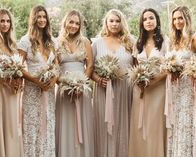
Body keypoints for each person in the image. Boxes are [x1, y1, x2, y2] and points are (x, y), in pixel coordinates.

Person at [91, 9, 134, 157]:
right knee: (104, 125)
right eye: (111, 21)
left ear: (122, 23)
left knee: (122, 125)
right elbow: (89, 69)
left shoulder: (130, 42)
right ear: (106, 23)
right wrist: (98, 79)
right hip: (103, 90)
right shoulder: (97, 43)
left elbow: (137, 66)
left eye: (117, 21)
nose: (114, 24)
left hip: (125, 90)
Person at [17, 5, 57, 157]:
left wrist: (52, 80)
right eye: (38, 17)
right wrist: (35, 80)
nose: (42, 20)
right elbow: (18, 67)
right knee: (32, 126)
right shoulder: (25, 41)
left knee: (47, 125)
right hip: (32, 90)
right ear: (33, 19)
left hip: (49, 90)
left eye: (44, 17)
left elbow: (56, 65)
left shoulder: (52, 41)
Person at [128, 8, 168, 157]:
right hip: (140, 91)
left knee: (154, 125)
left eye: (151, 18)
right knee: (140, 125)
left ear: (157, 20)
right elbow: (133, 65)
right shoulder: (138, 43)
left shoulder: (164, 41)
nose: (148, 21)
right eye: (145, 19)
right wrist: (138, 79)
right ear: (142, 23)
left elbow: (167, 69)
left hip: (158, 90)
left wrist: (152, 81)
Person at [55, 10, 94, 157]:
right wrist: (64, 85)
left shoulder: (85, 42)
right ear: (65, 22)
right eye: (71, 22)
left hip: (82, 89)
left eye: (77, 23)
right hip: (64, 90)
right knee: (66, 124)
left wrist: (80, 85)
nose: (74, 25)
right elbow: (54, 68)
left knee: (82, 124)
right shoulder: (56, 42)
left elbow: (90, 66)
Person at [0, 9, 24, 157]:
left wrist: (19, 80)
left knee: (12, 126)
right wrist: (6, 80)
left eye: (8, 21)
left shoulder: (13, 45)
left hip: (13, 93)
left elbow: (20, 69)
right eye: (2, 21)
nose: (5, 24)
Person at [166, 6, 196, 157]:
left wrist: (191, 70)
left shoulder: (193, 38)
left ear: (187, 19)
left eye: (180, 18)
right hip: (174, 88)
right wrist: (171, 70)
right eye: (175, 19)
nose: (177, 22)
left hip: (189, 87)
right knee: (176, 122)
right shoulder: (173, 41)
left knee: (187, 121)